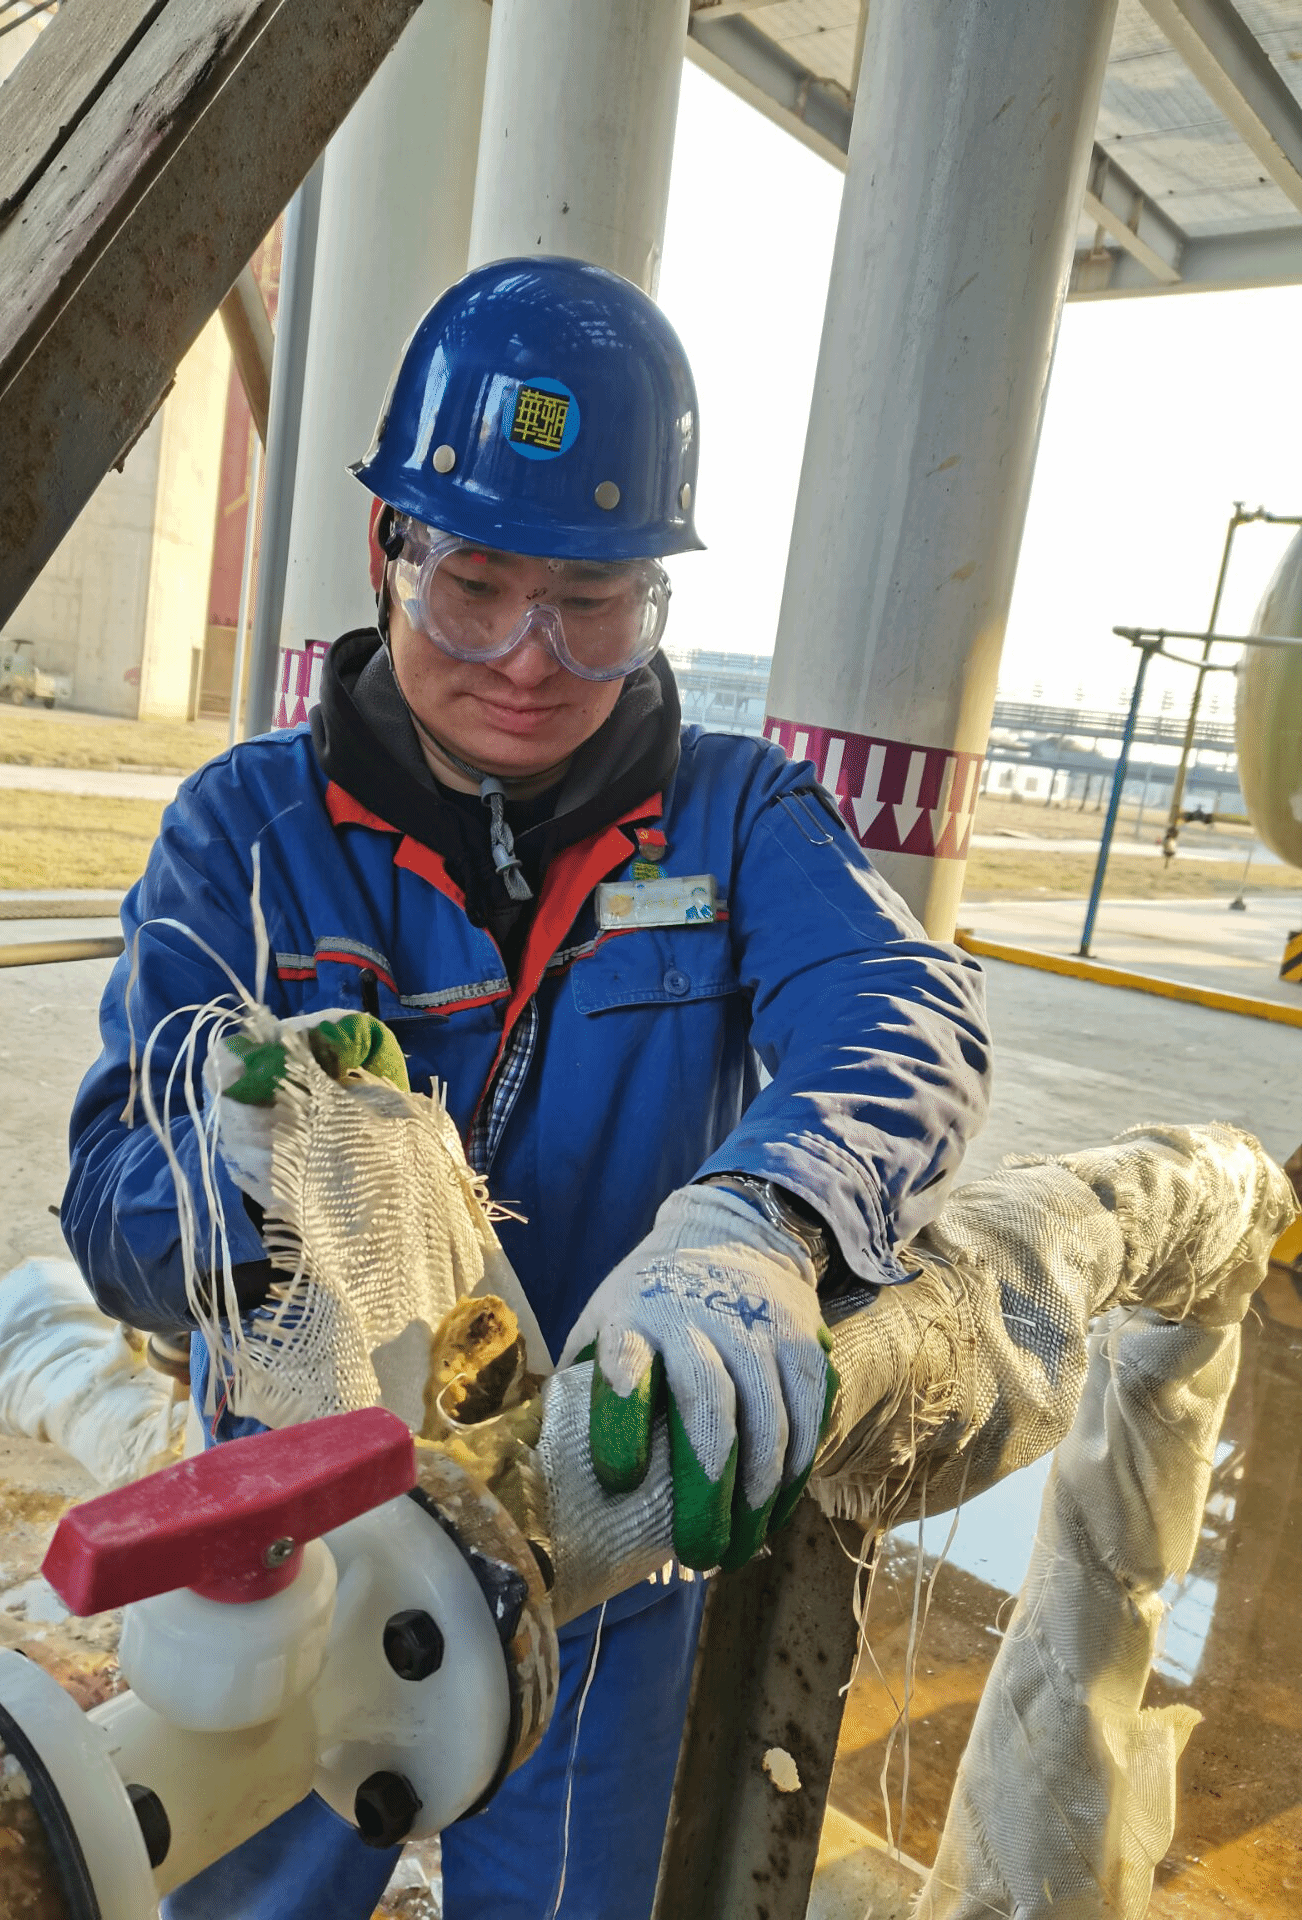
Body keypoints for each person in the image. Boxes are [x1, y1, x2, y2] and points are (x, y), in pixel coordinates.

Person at [62, 256, 991, 1920]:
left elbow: (901, 1009)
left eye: (594, 601)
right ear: (389, 550)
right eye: (477, 585)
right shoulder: (246, 837)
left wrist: (760, 1219)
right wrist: (249, 1194)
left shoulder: (735, 820)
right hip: (290, 1546)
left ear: (656, 600)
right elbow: (111, 1196)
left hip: (593, 1523)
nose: (527, 659)